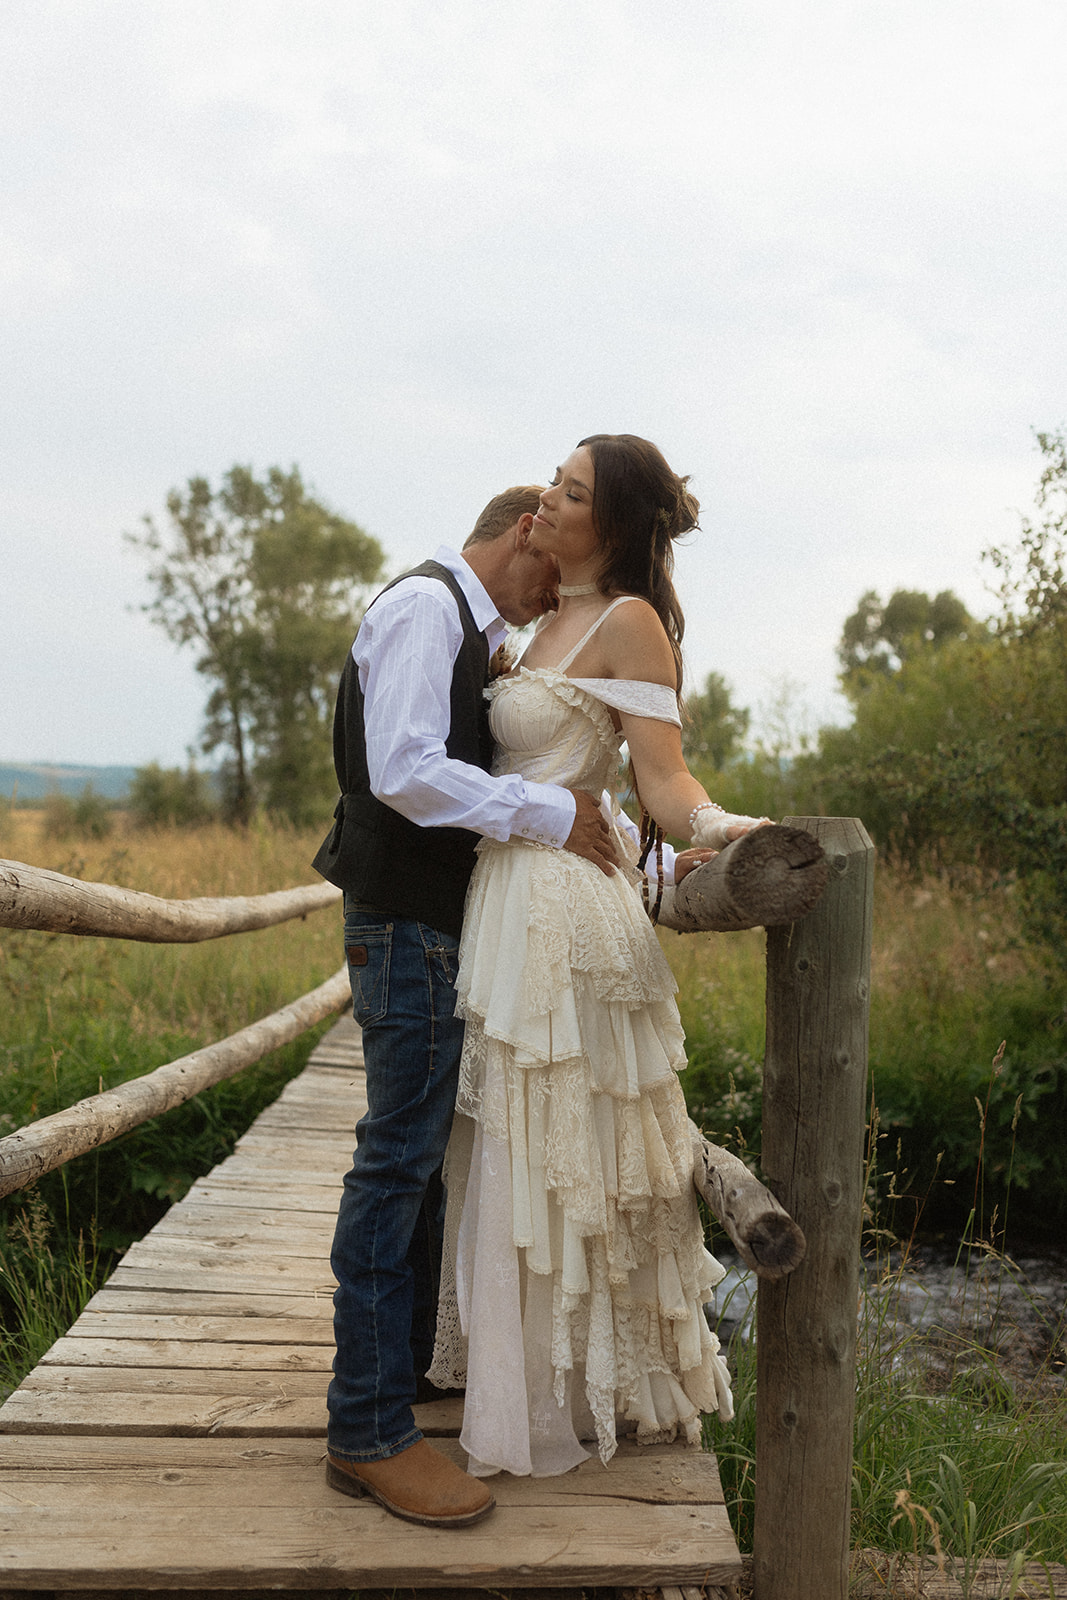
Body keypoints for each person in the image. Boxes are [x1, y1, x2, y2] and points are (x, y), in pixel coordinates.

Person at [426, 434, 767, 1478]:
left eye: (570, 492)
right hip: (503, 899)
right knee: (502, 1140)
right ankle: (520, 1380)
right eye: (553, 481)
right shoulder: (533, 622)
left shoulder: (626, 623)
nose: (548, 498)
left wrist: (721, 823)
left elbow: (657, 779)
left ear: (610, 523)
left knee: (570, 1148)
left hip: (568, 913)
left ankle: (583, 1389)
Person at [311, 486, 623, 1529]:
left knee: (427, 1154)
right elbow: (402, 770)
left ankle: (398, 1374)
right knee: (396, 1158)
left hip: (428, 924)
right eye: (548, 578)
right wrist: (544, 811)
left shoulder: (463, 626)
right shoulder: (423, 610)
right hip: (403, 922)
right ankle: (364, 1429)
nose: (546, 609)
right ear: (525, 527)